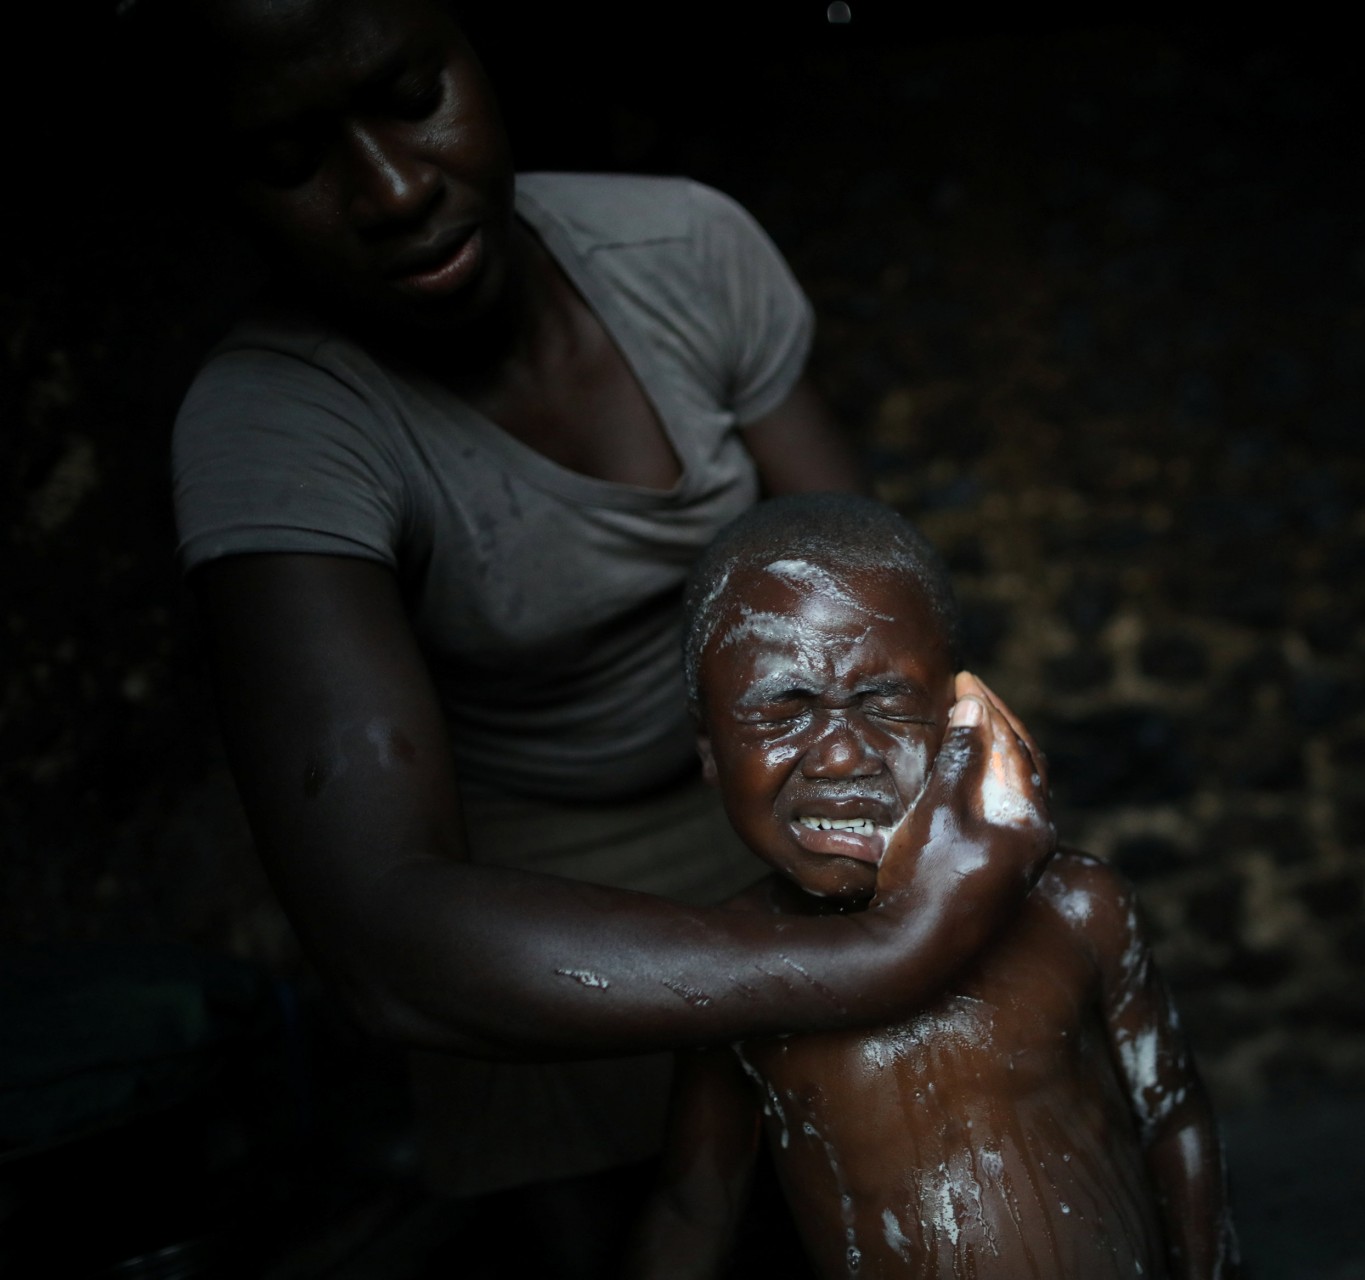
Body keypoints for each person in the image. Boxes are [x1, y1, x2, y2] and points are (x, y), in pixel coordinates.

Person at [149, 0, 1051, 1234]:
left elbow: (872, 605)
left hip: (776, 802)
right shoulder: (279, 426)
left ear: (482, 51)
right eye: (290, 159)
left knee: (889, 1181)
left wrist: (923, 843)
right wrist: (871, 961)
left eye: (414, 97)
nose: (393, 191)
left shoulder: (684, 249)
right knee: (643, 1224)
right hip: (522, 883)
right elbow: (382, 927)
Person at [633, 494, 1240, 1280]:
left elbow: (1173, 1118)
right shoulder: (733, 971)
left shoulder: (1075, 907)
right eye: (785, 712)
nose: (843, 757)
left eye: (885, 704)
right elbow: (695, 1210)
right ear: (709, 749)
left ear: (961, 719)